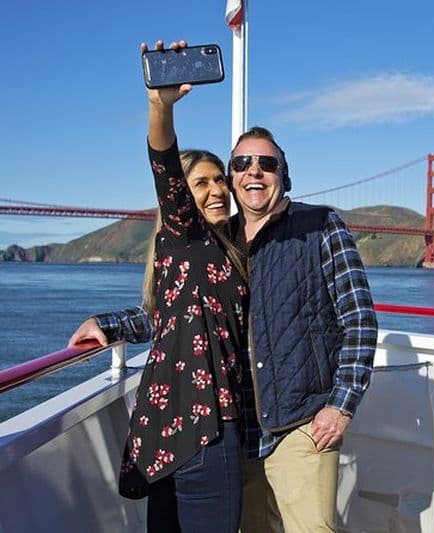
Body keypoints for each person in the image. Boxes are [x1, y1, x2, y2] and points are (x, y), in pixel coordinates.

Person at [69, 47, 378, 533]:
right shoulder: (219, 243)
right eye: (242, 164)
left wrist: (341, 404)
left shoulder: (320, 226)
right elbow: (174, 312)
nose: (252, 172)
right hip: (238, 428)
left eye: (267, 164)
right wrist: (109, 324)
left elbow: (359, 319)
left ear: (283, 173)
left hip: (300, 421)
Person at [75, 40, 250, 532]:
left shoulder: (228, 249)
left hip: (170, 428)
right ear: (180, 199)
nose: (217, 190)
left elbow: (166, 314)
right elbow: (164, 164)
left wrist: (114, 322)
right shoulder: (185, 235)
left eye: (221, 181)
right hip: (205, 428)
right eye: (202, 183)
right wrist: (160, 106)